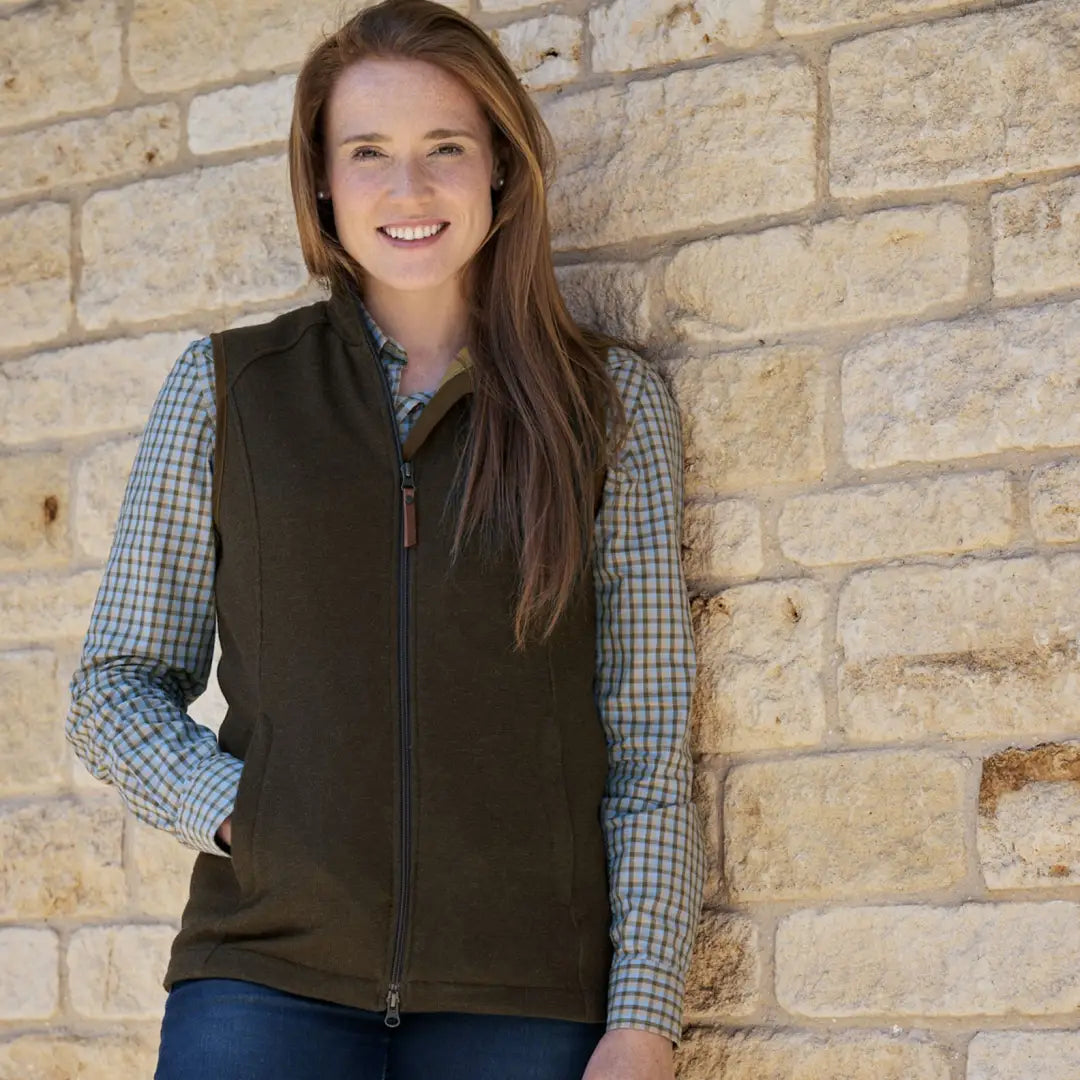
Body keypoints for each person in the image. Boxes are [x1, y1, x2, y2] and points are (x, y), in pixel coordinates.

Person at [65, 1, 705, 1077]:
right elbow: (113, 685)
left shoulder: (608, 409)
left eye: (443, 149)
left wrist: (643, 1018)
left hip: (521, 999)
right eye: (368, 154)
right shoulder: (227, 393)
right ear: (320, 180)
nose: (408, 192)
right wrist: (245, 814)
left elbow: (646, 749)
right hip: (263, 984)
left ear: (498, 165)